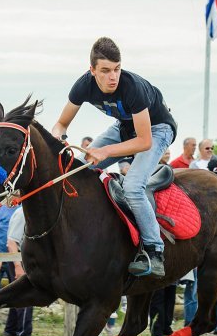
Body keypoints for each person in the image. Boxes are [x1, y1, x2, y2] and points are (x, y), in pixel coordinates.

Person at [51, 37, 177, 277]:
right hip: (124, 127)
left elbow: (144, 141)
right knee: (80, 169)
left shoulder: (133, 88)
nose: (113, 76)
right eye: (106, 70)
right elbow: (60, 124)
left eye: (117, 69)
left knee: (132, 185)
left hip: (157, 129)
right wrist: (59, 136)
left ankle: (154, 250)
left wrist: (106, 151)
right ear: (92, 71)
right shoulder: (82, 86)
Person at [2, 205, 37, 336]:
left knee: (16, 295)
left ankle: (10, 330)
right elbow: (12, 242)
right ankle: (23, 333)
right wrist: (18, 266)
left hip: (22, 258)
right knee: (27, 294)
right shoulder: (22, 213)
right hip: (19, 258)